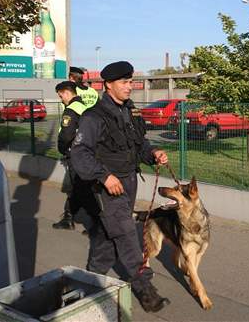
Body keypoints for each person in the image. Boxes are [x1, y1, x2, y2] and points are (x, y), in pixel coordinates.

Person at [70, 61, 170, 313]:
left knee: (107, 236)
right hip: (107, 187)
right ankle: (145, 291)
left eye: (131, 82)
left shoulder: (129, 111)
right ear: (108, 85)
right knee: (126, 234)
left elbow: (139, 144)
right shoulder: (94, 116)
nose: (130, 87)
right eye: (124, 83)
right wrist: (104, 176)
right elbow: (80, 154)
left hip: (129, 181)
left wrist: (153, 153)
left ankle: (90, 282)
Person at [53, 81, 95, 230]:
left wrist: (63, 149)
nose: (61, 99)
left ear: (66, 92)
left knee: (82, 189)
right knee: (78, 188)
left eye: (60, 96)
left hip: (74, 153)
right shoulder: (83, 107)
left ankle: (99, 222)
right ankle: (68, 217)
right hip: (85, 152)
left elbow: (66, 135)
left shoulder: (71, 110)